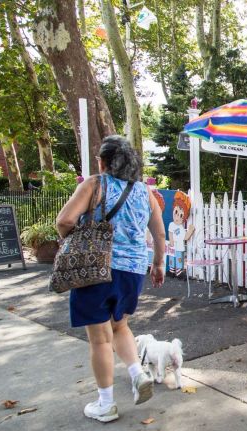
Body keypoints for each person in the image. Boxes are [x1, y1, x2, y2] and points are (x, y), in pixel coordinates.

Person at [56, 135, 166, 423]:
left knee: (100, 339)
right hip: (132, 271)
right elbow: (159, 234)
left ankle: (105, 404)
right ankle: (137, 373)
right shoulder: (146, 192)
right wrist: (158, 264)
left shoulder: (95, 184)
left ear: (103, 161)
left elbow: (65, 221)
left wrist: (76, 242)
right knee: (120, 326)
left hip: (97, 269)